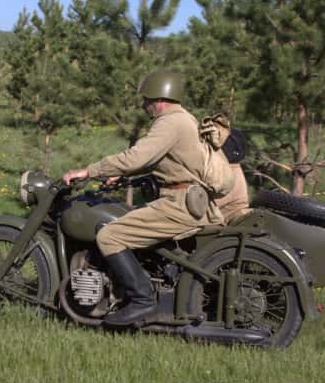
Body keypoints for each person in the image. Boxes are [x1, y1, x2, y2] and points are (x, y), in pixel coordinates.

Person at [62, 69, 223, 326]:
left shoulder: (169, 122)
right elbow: (166, 159)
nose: (144, 105)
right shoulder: (185, 119)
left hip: (178, 204)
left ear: (159, 98)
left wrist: (90, 171)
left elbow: (138, 156)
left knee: (109, 235)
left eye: (147, 100)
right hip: (186, 199)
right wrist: (121, 176)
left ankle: (142, 299)